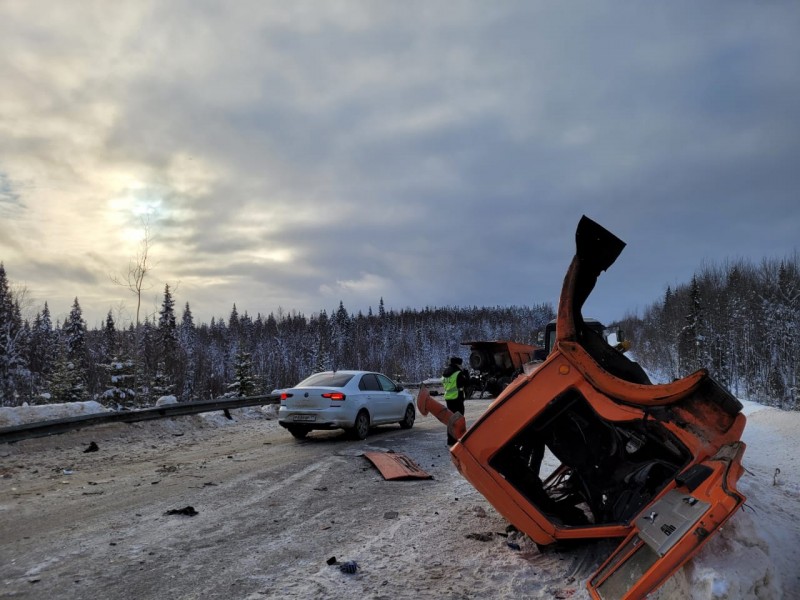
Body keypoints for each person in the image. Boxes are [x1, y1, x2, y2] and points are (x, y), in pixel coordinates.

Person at [442, 356, 469, 445]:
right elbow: (466, 383)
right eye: (460, 364)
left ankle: (450, 440)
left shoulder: (445, 372)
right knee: (459, 419)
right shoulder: (458, 373)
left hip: (448, 398)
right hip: (457, 398)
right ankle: (460, 438)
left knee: (451, 419)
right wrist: (466, 375)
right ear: (457, 364)